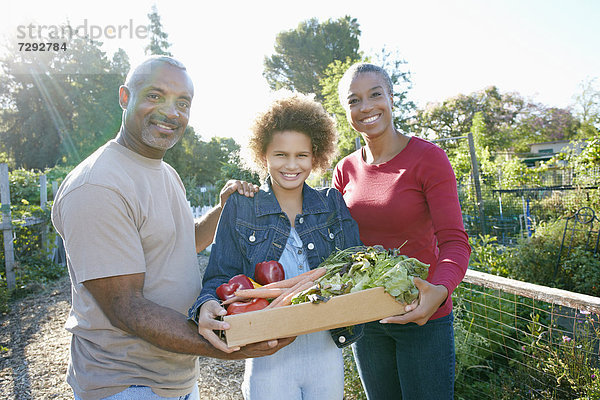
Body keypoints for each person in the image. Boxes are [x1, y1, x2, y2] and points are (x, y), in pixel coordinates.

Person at [51, 56, 292, 400]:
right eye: (154, 96)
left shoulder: (164, 171)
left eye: (182, 103)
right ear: (124, 97)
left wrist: (222, 211)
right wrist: (230, 344)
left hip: (173, 378)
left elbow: (181, 242)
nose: (171, 112)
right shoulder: (98, 186)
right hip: (126, 385)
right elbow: (126, 307)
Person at [189, 93, 363, 399]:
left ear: (316, 156)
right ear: (263, 154)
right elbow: (218, 278)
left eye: (302, 155)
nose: (292, 165)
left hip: (327, 359)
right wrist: (205, 305)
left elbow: (359, 269)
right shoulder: (240, 208)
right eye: (280, 154)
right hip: (267, 365)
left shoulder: (332, 204)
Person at [333, 62, 471, 399]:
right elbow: (339, 244)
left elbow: (455, 242)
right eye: (354, 100)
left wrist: (439, 290)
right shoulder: (345, 170)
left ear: (392, 98)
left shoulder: (428, 159)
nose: (366, 107)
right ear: (346, 110)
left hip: (422, 316)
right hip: (368, 319)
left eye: (375, 95)